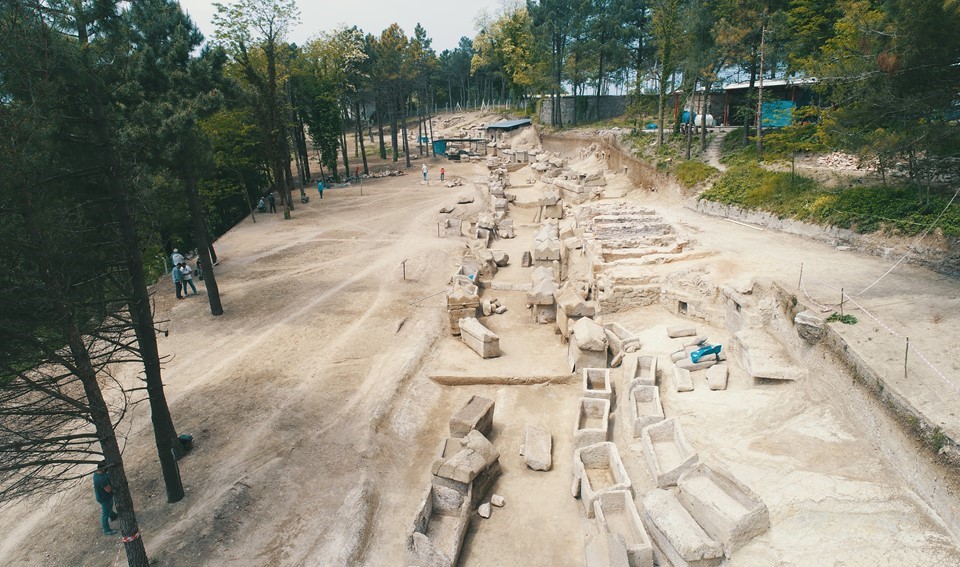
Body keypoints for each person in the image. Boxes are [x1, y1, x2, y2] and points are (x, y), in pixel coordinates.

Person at [93, 461, 119, 536]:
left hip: (100, 496)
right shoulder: (102, 479)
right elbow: (108, 490)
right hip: (105, 498)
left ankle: (113, 516)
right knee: (105, 513)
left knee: (108, 508)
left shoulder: (95, 474)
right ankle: (106, 530)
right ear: (103, 468)